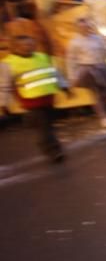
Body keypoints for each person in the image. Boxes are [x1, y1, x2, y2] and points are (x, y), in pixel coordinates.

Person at [1, 30, 66, 163]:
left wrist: (64, 86)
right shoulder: (8, 64)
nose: (28, 48)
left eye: (31, 45)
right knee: (45, 128)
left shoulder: (43, 57)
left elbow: (55, 73)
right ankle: (53, 151)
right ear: (15, 47)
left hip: (48, 98)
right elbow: (4, 86)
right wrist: (3, 104)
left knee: (48, 125)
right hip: (31, 101)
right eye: (24, 46)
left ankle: (30, 122)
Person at [65, 17, 106, 128]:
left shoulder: (97, 38)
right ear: (77, 28)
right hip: (87, 69)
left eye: (86, 26)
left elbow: (105, 52)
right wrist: (72, 76)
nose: (85, 29)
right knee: (96, 92)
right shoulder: (74, 42)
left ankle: (102, 112)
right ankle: (103, 117)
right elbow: (71, 60)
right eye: (81, 27)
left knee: (105, 91)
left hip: (101, 67)